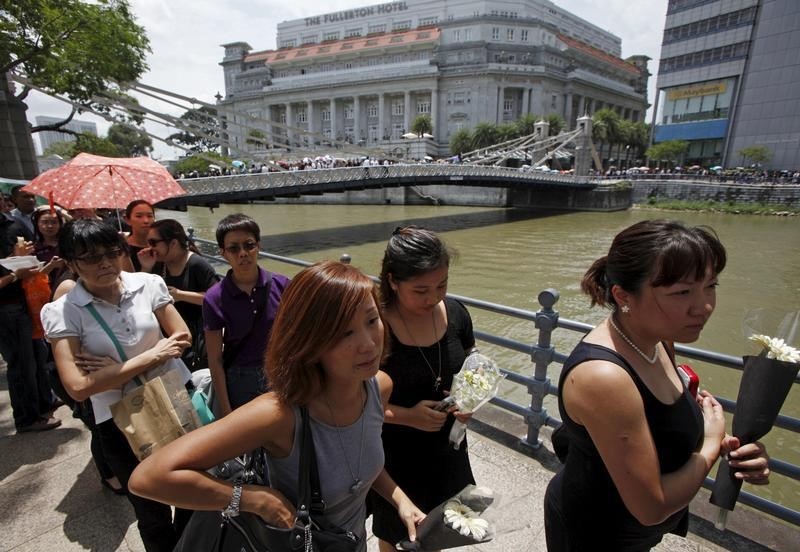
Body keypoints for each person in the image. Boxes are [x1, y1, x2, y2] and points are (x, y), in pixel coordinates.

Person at [129, 261, 425, 551]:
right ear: (309, 341)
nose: (369, 344)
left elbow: (357, 458)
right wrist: (254, 500)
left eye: (372, 321)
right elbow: (149, 477)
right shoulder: (280, 414)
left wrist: (400, 499)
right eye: (344, 333)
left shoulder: (378, 387)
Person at [543, 219, 771, 551]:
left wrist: (733, 449)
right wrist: (709, 446)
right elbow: (652, 506)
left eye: (711, 286)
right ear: (623, 296)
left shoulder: (657, 341)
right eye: (682, 292)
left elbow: (657, 430)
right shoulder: (602, 377)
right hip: (596, 534)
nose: (704, 306)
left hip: (635, 531)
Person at [41, 219, 193, 551]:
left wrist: (113, 371)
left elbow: (182, 337)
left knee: (191, 491)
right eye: (91, 257)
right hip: (120, 421)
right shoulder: (63, 312)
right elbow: (78, 386)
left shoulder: (148, 283)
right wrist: (151, 357)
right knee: (150, 510)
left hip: (174, 398)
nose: (106, 263)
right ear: (70, 263)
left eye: (112, 252)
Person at [371, 226, 476, 550]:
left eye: (442, 285)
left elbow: (471, 362)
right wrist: (406, 416)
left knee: (444, 530)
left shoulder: (456, 313)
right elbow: (351, 404)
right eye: (420, 290)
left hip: (449, 449)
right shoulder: (375, 325)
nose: (433, 298)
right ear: (392, 281)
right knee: (396, 535)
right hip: (395, 455)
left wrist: (471, 399)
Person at [202, 213, 289, 415]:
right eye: (233, 248)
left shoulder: (283, 285)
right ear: (223, 253)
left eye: (249, 245)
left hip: (280, 373)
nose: (243, 253)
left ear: (258, 246)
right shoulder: (214, 298)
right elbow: (215, 359)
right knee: (251, 444)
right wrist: (226, 408)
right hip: (240, 380)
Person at [0, 212, 61, 433]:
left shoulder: (11, 225)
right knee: (20, 365)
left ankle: (44, 402)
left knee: (36, 359)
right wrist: (16, 274)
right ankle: (26, 418)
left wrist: (21, 257)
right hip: (6, 311)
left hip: (24, 305)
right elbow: (13, 274)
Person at [143, 219, 220, 371]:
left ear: (173, 243)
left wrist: (181, 295)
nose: (150, 248)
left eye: (154, 242)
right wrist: (145, 267)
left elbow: (218, 299)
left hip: (195, 337)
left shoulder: (196, 264)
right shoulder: (158, 263)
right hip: (168, 337)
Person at [124, 200, 159, 272]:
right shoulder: (121, 248)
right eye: (139, 216)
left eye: (150, 216)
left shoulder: (160, 245)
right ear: (128, 220)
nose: (146, 221)